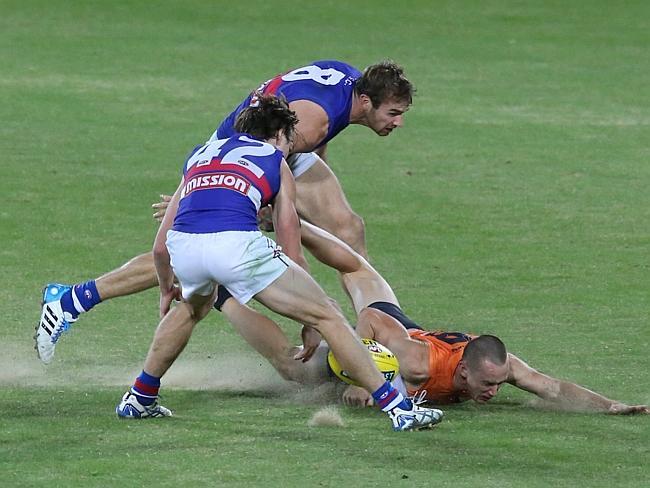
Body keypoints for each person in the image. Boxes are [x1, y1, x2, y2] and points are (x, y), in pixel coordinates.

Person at [36, 59, 414, 363]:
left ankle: (382, 328)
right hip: (241, 154)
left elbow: (302, 133)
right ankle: (71, 300)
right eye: (393, 113)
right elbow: (276, 154)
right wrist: (211, 196)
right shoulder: (311, 125)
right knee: (206, 243)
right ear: (366, 102)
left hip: (279, 146)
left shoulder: (346, 84)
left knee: (348, 229)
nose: (397, 122)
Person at [114, 94, 443, 432]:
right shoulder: (275, 160)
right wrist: (310, 317)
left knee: (190, 310)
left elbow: (160, 245)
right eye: (290, 141)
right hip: (236, 245)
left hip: (185, 248)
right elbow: (291, 242)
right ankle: (400, 408)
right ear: (281, 134)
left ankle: (140, 397)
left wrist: (167, 286)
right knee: (328, 315)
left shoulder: (200, 155)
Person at [221, 221, 649, 415]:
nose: (495, 391)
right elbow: (370, 319)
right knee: (291, 366)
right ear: (462, 371)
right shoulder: (417, 363)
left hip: (401, 326)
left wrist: (610, 405)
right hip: (387, 335)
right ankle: (223, 289)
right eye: (487, 385)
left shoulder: (497, 365)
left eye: (498, 383)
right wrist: (357, 374)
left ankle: (288, 220)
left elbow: (552, 388)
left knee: (358, 268)